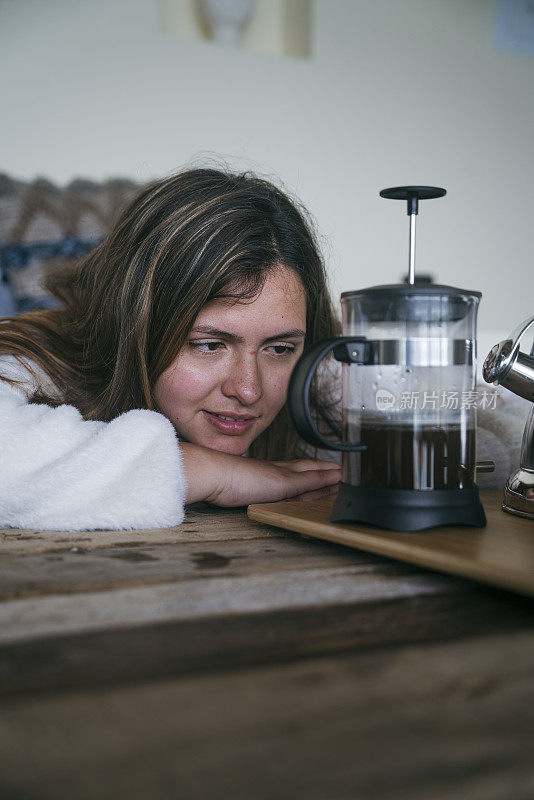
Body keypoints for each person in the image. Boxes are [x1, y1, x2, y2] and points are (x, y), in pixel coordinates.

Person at [0, 168, 341, 531]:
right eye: (210, 345)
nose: (248, 390)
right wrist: (208, 472)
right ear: (136, 327)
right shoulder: (35, 360)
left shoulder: (318, 376)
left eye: (279, 349)